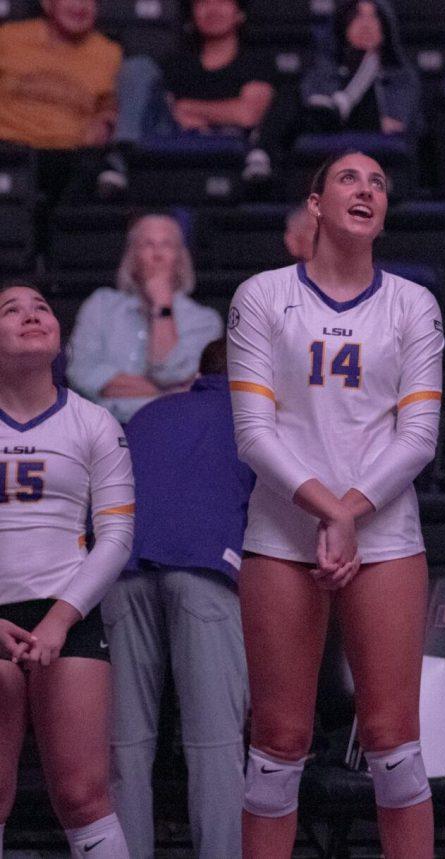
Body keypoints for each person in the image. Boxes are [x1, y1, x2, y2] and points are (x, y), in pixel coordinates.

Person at [226, 150, 443, 859]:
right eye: (349, 178)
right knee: (279, 740)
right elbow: (254, 434)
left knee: (392, 738)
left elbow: (418, 437)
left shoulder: (413, 303)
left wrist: (352, 511)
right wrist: (330, 512)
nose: (367, 189)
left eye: (379, 182)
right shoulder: (261, 295)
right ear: (314, 204)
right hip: (282, 535)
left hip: (384, 534)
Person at [102, 338, 254, 859]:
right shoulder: (258, 419)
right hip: (204, 569)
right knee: (213, 748)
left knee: (125, 751)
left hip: (119, 571)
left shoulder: (149, 413)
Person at [0, 281, 135, 859]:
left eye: (43, 308)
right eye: (10, 310)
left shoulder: (94, 423)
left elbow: (117, 536)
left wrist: (61, 618)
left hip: (69, 615)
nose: (31, 316)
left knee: (83, 796)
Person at [98, 0, 284, 194]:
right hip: (171, 139)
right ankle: (121, 156)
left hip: (233, 149)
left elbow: (246, 115)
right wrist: (210, 114)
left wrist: (187, 107)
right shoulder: (176, 63)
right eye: (202, 2)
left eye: (222, 1)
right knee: (138, 67)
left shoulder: (256, 62)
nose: (212, 9)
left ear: (240, 13)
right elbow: (167, 112)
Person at [67, 213, 224, 424]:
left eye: (167, 245)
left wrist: (162, 304)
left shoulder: (205, 320)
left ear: (181, 258)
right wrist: (163, 392)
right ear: (131, 256)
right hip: (97, 428)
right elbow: (81, 373)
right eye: (147, 244)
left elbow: (170, 372)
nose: (157, 254)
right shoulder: (101, 305)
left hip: (170, 427)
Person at [0, 0, 121, 151]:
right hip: (7, 148)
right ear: (47, 4)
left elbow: (108, 104)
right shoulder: (8, 37)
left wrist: (104, 124)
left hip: (68, 156)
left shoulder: (108, 54)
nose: (80, 5)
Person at [300, 0, 423, 138]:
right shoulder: (321, 74)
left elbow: (396, 126)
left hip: (386, 154)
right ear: (343, 26)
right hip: (331, 154)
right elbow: (316, 121)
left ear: (385, 29)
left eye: (374, 17)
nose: (366, 25)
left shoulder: (401, 77)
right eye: (358, 16)